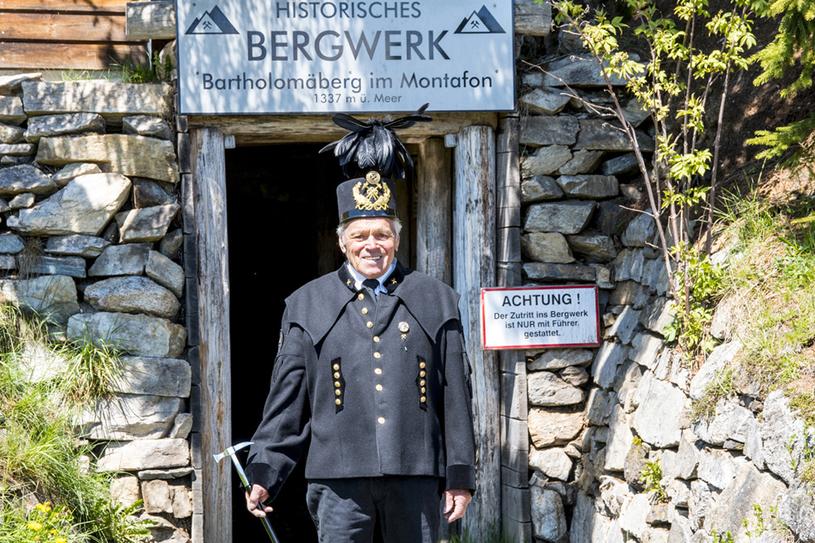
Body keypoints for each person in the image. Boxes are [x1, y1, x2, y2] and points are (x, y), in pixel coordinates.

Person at [243, 108, 476, 543]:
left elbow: (456, 396)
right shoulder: (306, 303)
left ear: (397, 238)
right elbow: (287, 401)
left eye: (382, 234)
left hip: (416, 474)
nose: (372, 245)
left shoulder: (435, 298)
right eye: (361, 235)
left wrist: (459, 475)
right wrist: (265, 471)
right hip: (338, 479)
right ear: (341, 241)